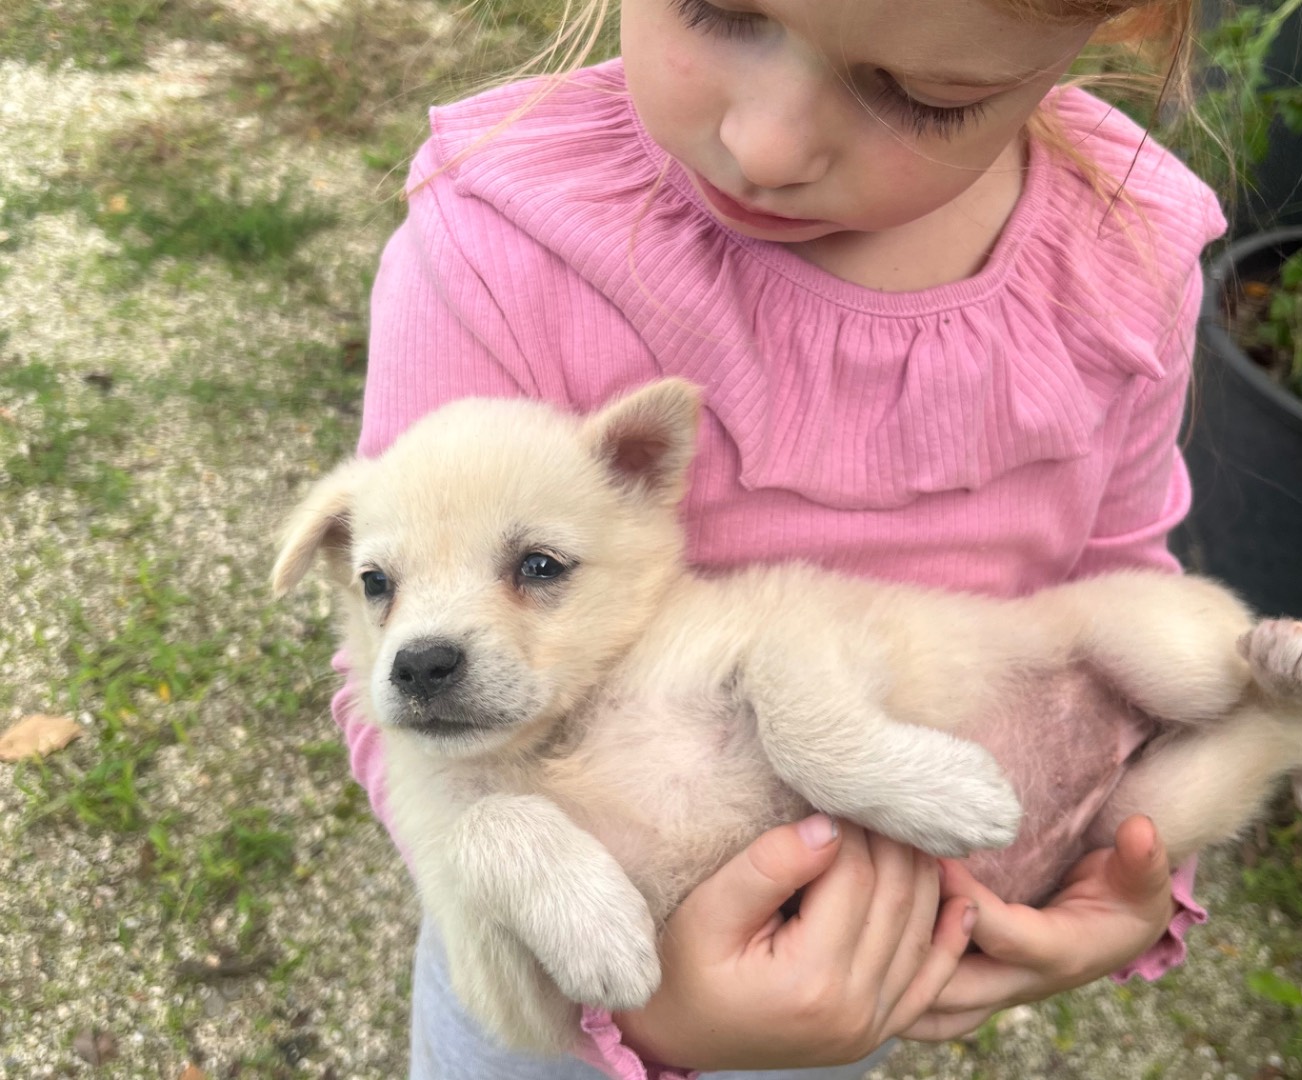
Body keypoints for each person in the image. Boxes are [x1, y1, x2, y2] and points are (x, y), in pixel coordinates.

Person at [330, 0, 1227, 1075]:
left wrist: (1129, 871)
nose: (768, 144)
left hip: (850, 977)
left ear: (1111, 29)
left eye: (924, 96)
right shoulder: (502, 247)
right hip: (558, 965)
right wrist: (655, 1013)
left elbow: (1119, 583)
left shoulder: (1125, 261)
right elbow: (405, 681)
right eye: (719, 11)